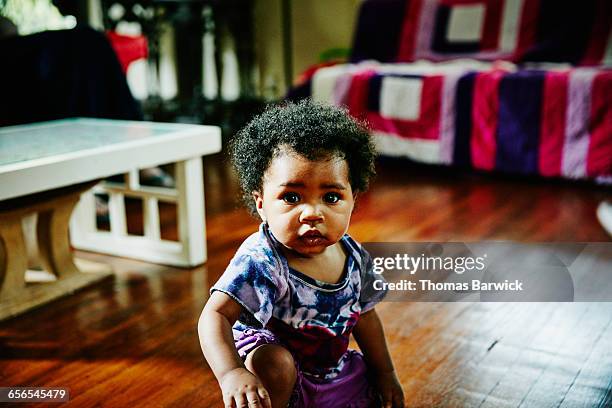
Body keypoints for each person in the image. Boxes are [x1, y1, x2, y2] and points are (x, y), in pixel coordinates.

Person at [198, 100, 404, 408]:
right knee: (275, 364)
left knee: (366, 380)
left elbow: (366, 317)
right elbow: (214, 315)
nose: (312, 213)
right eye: (291, 197)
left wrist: (385, 371)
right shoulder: (263, 260)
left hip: (328, 369)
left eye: (331, 197)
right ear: (261, 204)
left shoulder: (353, 257)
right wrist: (231, 373)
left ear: (353, 200)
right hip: (275, 367)